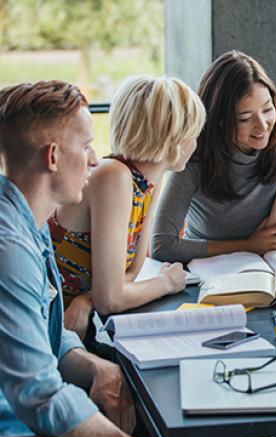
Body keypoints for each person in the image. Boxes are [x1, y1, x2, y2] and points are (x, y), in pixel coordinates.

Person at [0, 80, 220, 437]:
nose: (93, 159)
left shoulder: (25, 219)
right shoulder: (9, 249)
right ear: (52, 157)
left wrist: (94, 366)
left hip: (34, 418)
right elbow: (41, 398)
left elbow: (45, 336)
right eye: (85, 146)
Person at [151, 50, 276, 437]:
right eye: (246, 118)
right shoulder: (197, 158)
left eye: (268, 110)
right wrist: (248, 243)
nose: (263, 126)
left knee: (271, 336)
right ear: (220, 120)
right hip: (214, 281)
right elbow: (162, 244)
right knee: (222, 340)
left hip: (268, 277)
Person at [48, 75, 206, 348]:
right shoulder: (114, 176)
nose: (195, 143)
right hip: (48, 329)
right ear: (175, 138)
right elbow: (111, 299)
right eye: (193, 132)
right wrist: (166, 283)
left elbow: (132, 270)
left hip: (74, 325)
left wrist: (88, 298)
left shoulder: (147, 182)